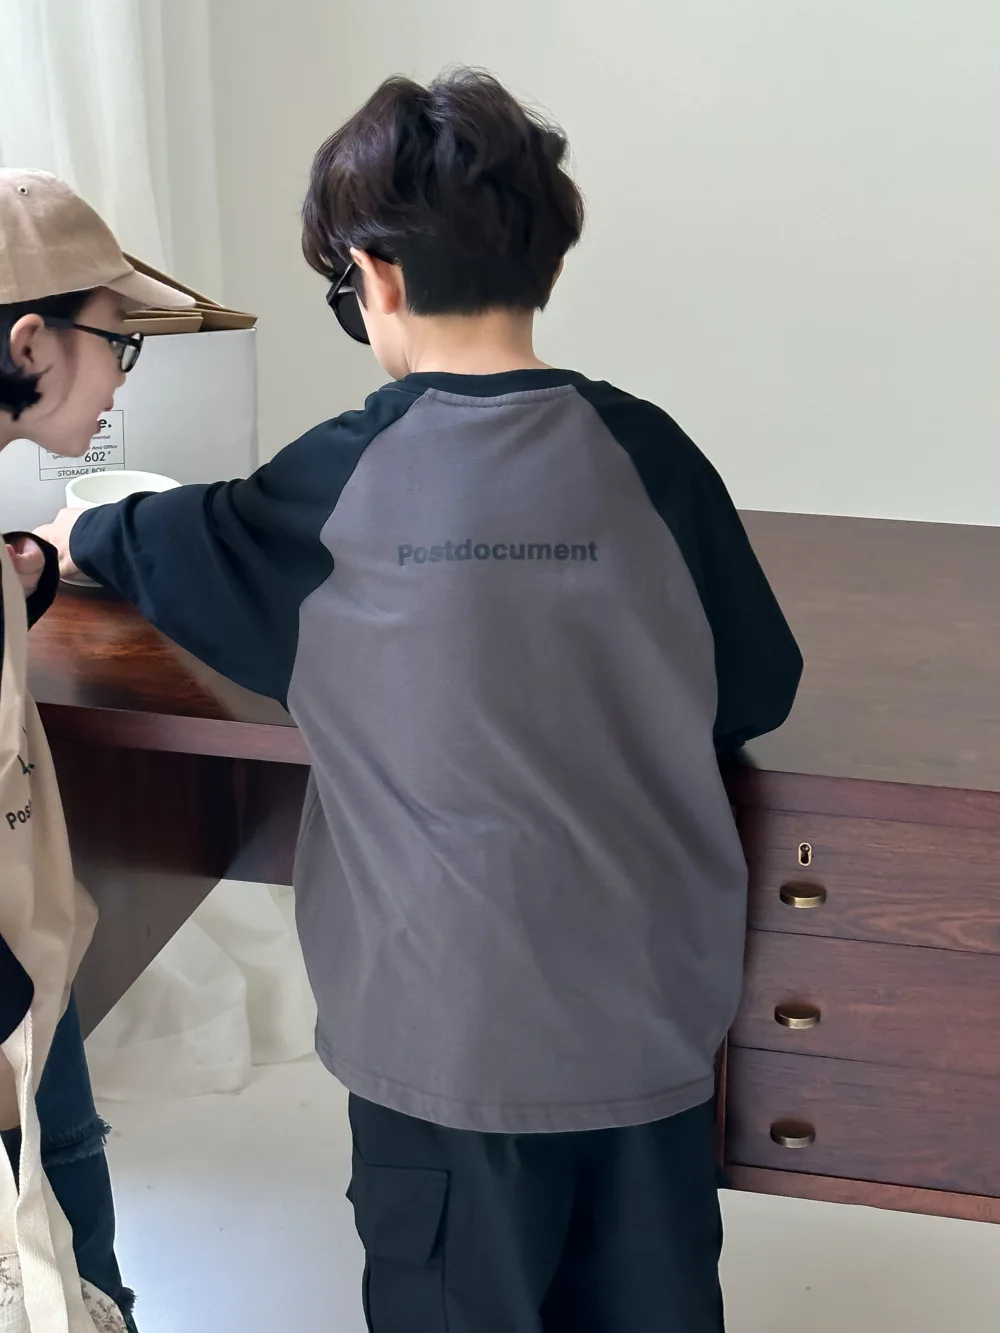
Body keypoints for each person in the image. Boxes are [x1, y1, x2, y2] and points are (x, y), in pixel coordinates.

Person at [40, 71, 803, 1332]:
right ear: (545, 262)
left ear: (373, 277)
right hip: (649, 1027)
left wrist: (78, 530)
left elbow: (162, 537)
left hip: (442, 1040)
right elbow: (756, 688)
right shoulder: (654, 457)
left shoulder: (330, 487)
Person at [1, 166, 196, 1331]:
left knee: (72, 1171)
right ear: (31, 343)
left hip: (27, 949)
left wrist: (26, 570)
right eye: (116, 339)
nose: (122, 373)